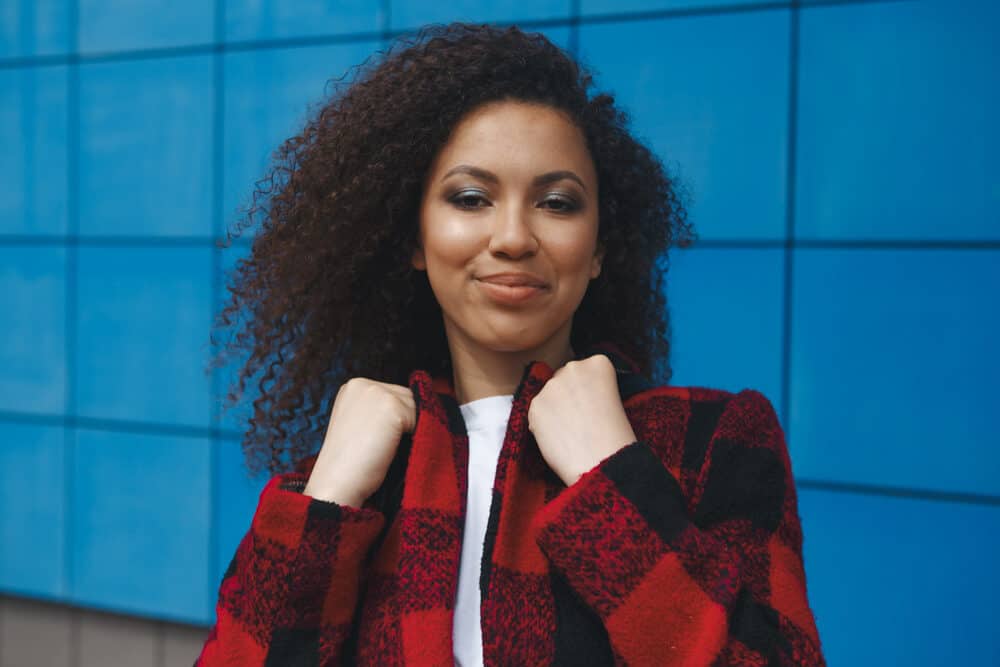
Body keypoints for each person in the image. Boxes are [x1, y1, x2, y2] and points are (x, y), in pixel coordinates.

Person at [197, 21, 825, 667]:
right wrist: (327, 500)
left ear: (601, 247)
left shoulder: (707, 438)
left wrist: (612, 479)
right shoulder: (362, 464)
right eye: (471, 198)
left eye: (557, 203)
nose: (514, 237)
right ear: (413, 238)